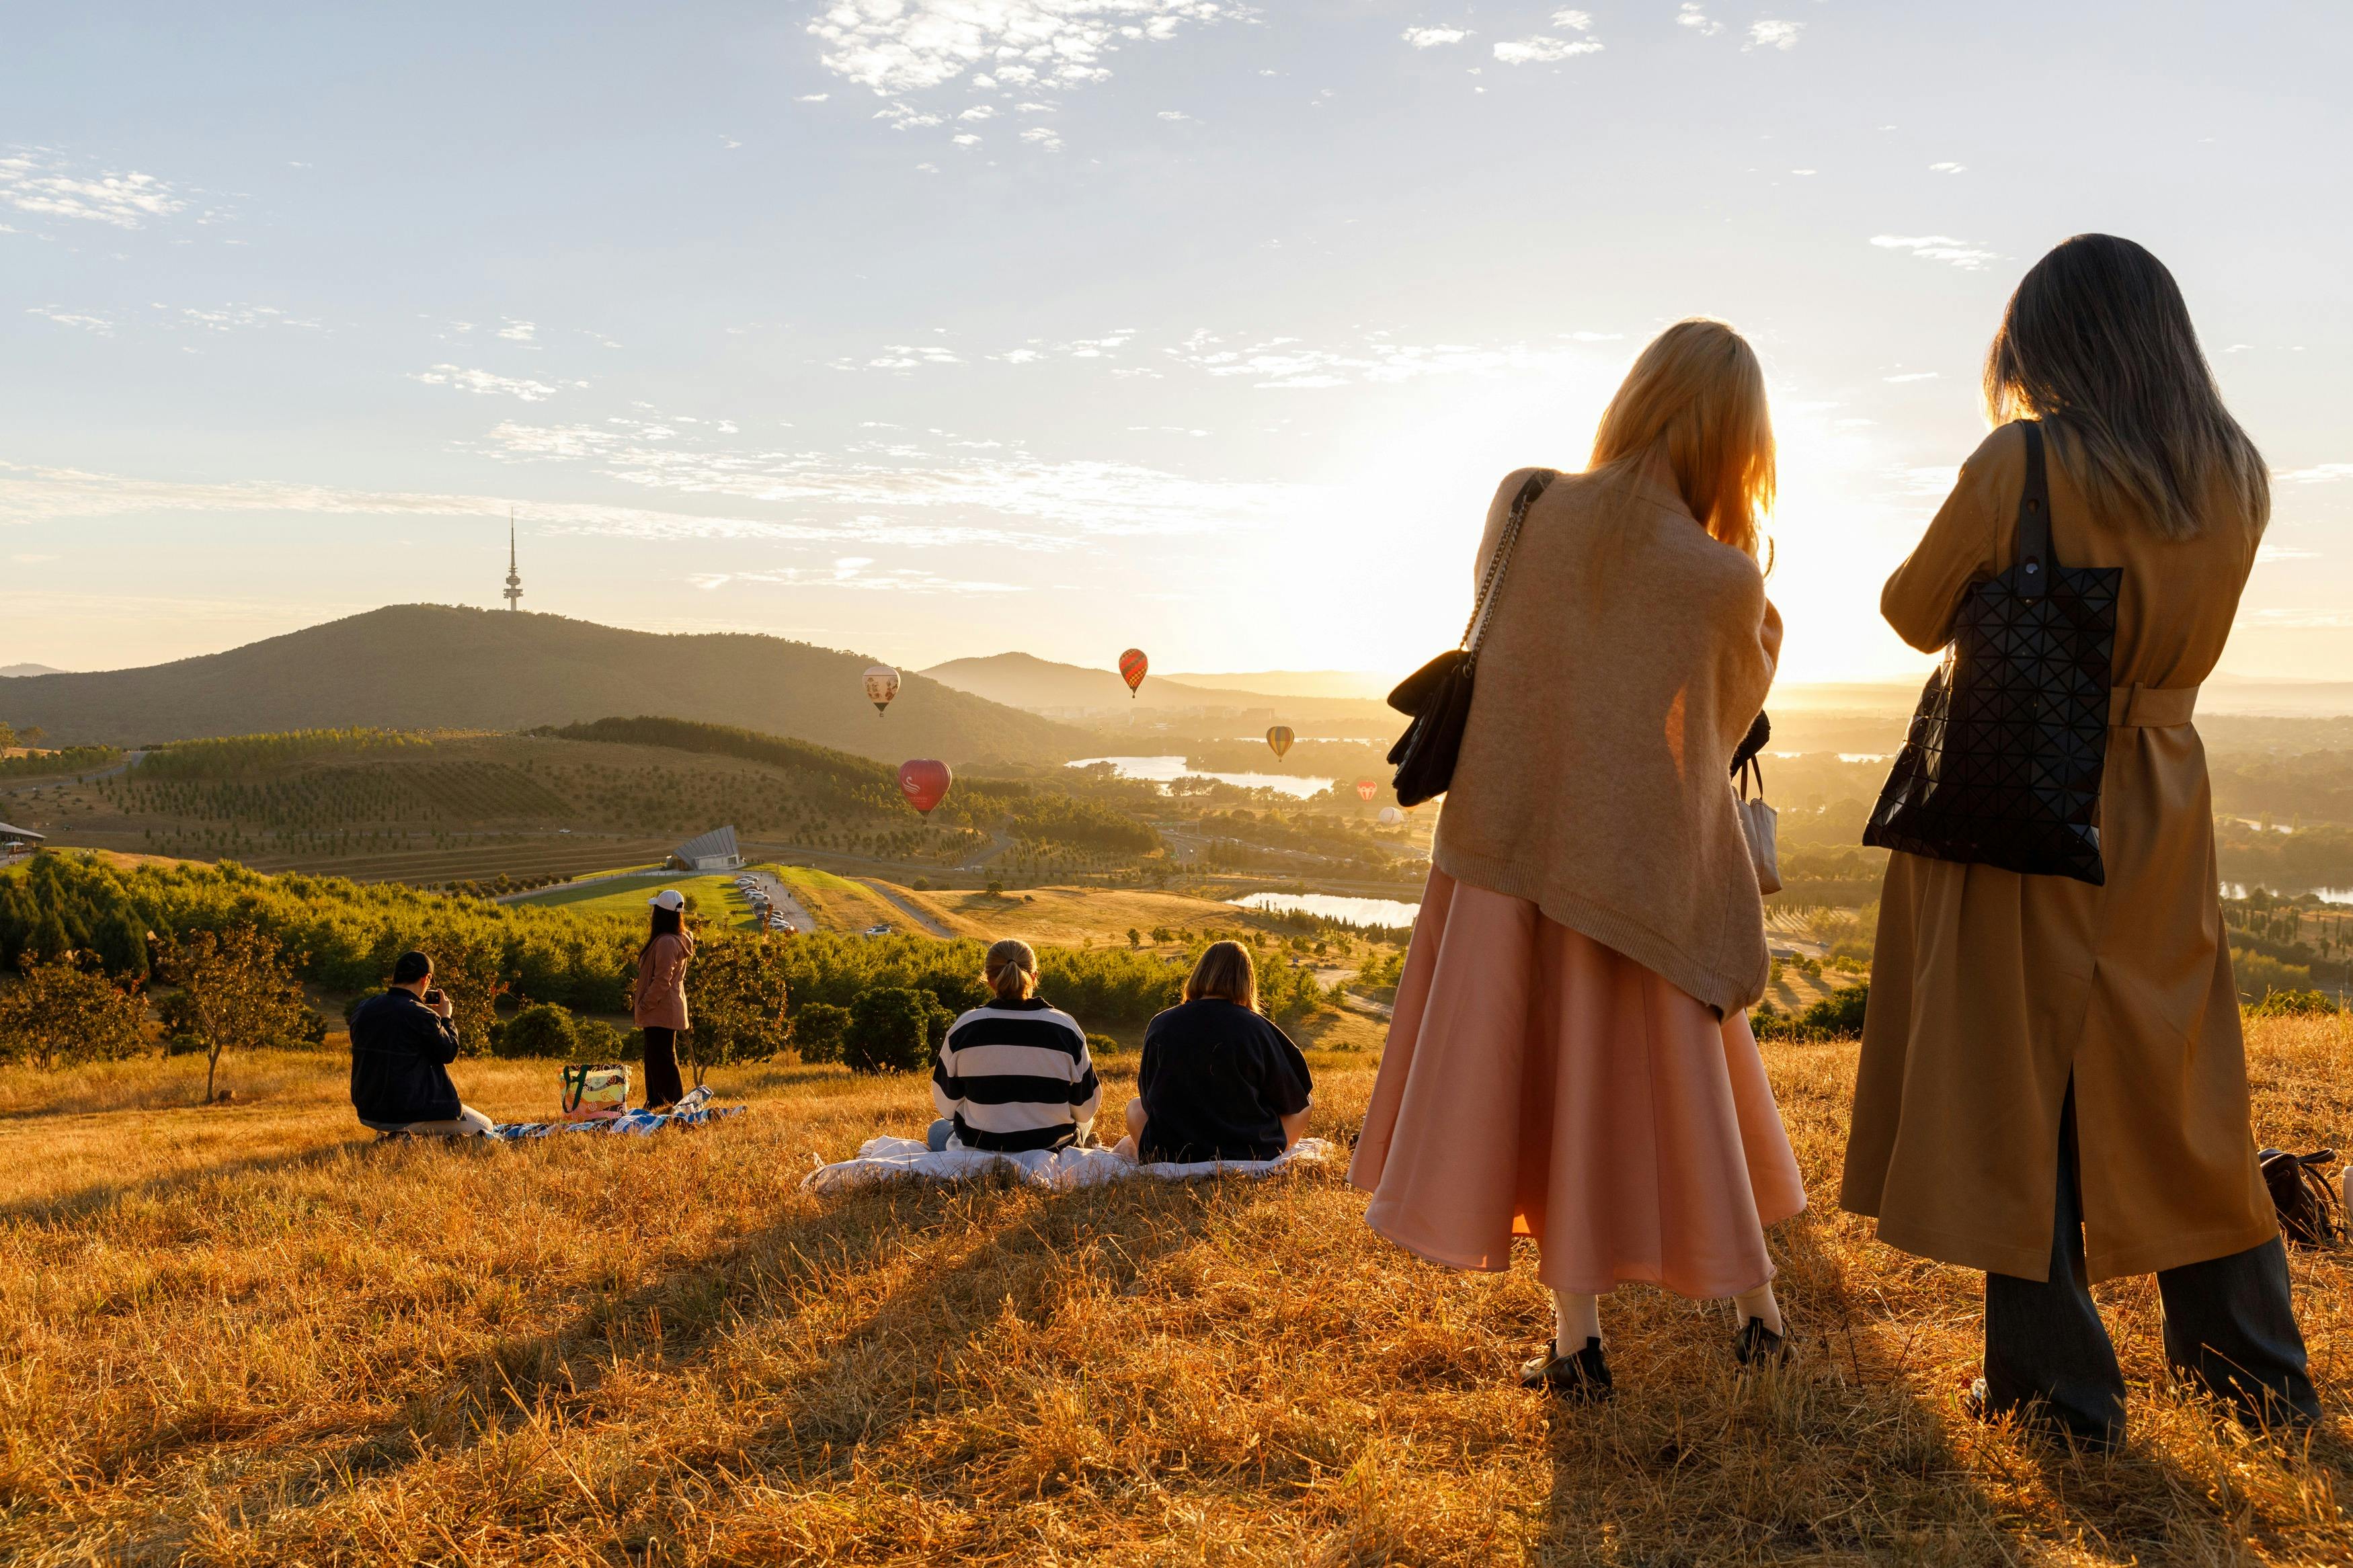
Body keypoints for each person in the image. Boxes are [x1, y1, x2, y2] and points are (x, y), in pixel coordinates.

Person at [1841, 235, 2317, 1447]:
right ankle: (2252, 1370)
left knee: (2023, 1085)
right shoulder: (2238, 473)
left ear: (2044, 342)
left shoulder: (2025, 461)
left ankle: (2057, 1392)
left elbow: (1908, 610)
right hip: (2166, 790)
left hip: (2030, 787)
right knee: (2180, 1082)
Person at [1350, 318, 1807, 1401]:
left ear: (1634, 398)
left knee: (1543, 1085)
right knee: (1696, 1079)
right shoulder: (1723, 579)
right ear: (1742, 445)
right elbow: (1723, 723)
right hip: (1641, 867)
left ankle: (1577, 1345)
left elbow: (1520, 643)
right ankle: (1758, 1316)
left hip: (1504, 857)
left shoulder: (1524, 503)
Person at [1120, 941, 1312, 1163]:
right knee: (1307, 1102)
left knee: (1134, 1107)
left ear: (1199, 973)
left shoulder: (1161, 1024)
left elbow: (1148, 1100)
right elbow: (1293, 1098)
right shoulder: (1257, 1027)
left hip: (1171, 1152)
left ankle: (1149, 1154)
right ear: (1246, 980)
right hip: (1249, 1151)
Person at [928, 939, 1101, 1152]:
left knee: (938, 1128)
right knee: (1086, 1122)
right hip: (1051, 1149)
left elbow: (946, 1108)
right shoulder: (1065, 1028)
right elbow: (1086, 1111)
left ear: (990, 980)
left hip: (981, 1149)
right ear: (1034, 977)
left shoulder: (964, 1028)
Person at [348, 950, 493, 1137]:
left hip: (368, 1111)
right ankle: (405, 1139)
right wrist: (446, 1018)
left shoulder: (364, 1008)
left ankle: (401, 1137)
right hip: (408, 1112)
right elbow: (448, 1052)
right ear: (426, 979)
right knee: (484, 1126)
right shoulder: (422, 1015)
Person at [631, 888, 694, 1110]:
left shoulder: (667, 942)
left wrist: (645, 1004)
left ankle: (673, 1103)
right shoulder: (678, 937)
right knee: (656, 1058)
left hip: (660, 1008)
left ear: (660, 914)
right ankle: (656, 1102)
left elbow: (662, 980)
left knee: (664, 1059)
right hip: (665, 1008)